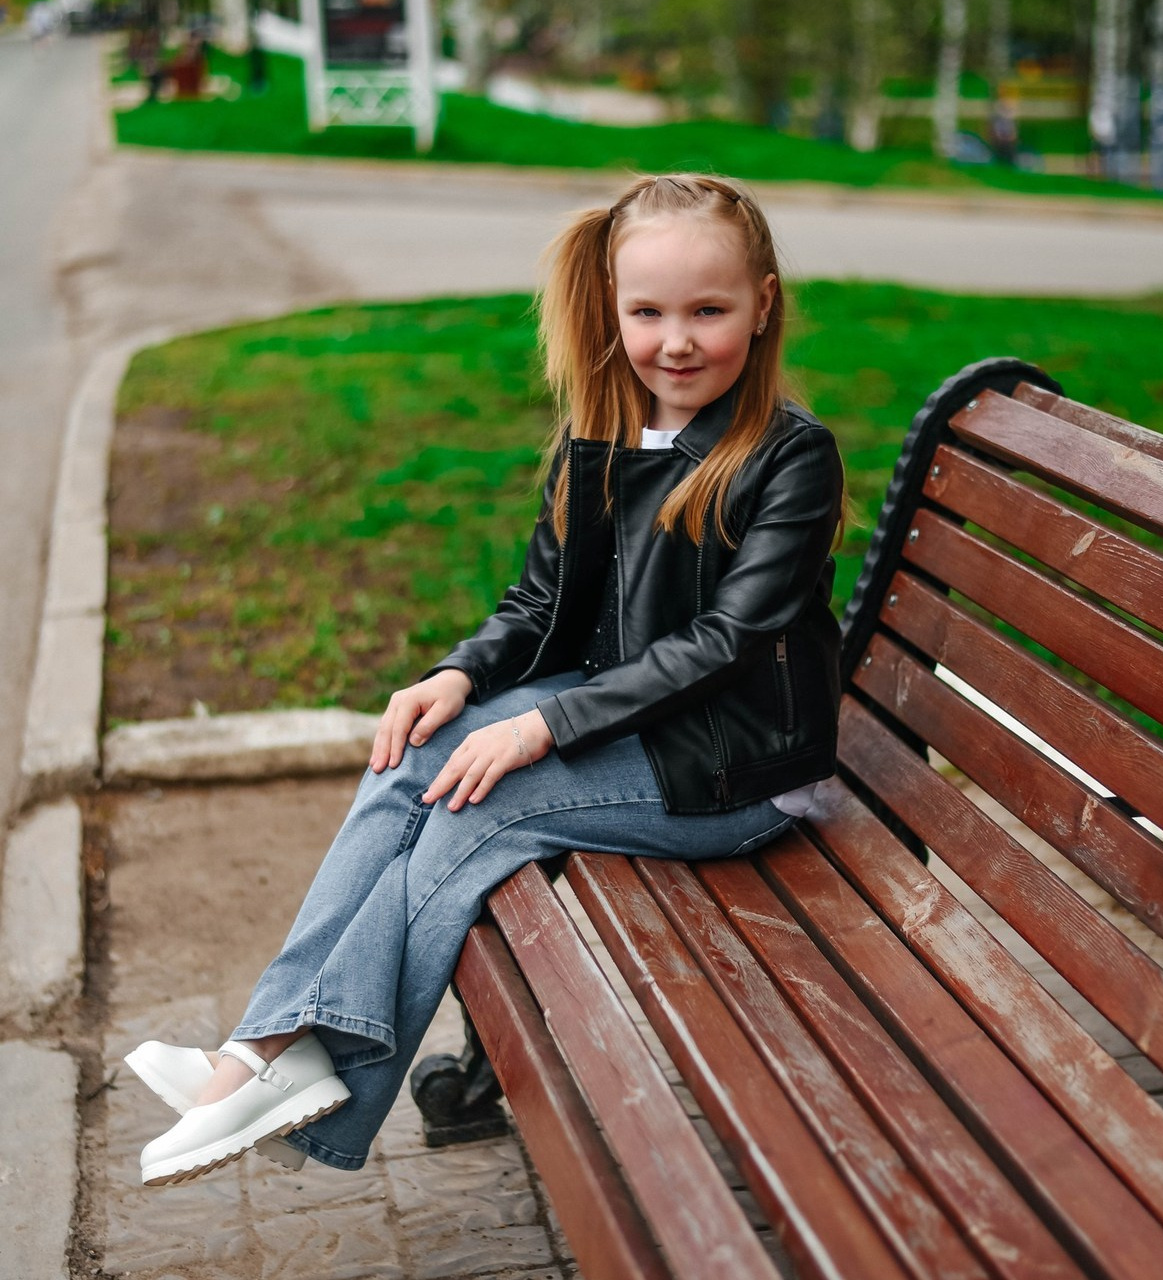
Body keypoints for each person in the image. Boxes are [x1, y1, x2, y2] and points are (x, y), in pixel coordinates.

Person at [127, 172, 847, 1186]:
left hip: (736, 762)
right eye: (646, 312)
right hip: (630, 727)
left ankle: (295, 1087)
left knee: (480, 806)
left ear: (761, 304)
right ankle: (257, 1053)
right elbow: (534, 601)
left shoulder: (785, 458)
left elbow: (725, 641)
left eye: (707, 310)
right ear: (610, 310)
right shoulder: (597, 436)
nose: (674, 341)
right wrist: (457, 676)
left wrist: (540, 728)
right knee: (422, 748)